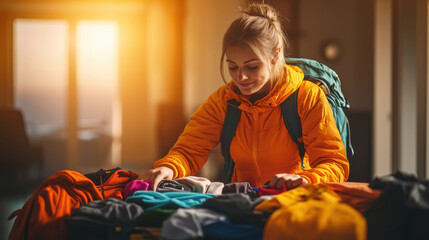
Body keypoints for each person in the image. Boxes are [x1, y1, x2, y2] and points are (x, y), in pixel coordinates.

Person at [143, 2, 349, 191]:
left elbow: (334, 163)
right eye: (232, 67)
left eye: (252, 66)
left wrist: (306, 179)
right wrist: (169, 167)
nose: (241, 77)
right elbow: (189, 151)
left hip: (293, 203)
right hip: (242, 203)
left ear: (275, 55)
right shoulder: (223, 101)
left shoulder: (307, 97)